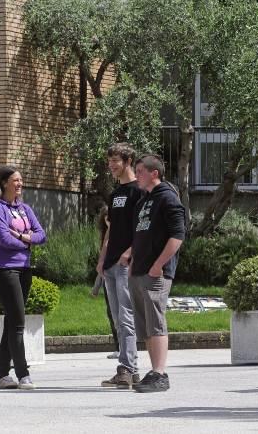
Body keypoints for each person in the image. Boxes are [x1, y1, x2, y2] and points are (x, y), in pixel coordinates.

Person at [128, 154, 185, 393]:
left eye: (140, 171)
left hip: (156, 273)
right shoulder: (144, 201)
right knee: (146, 326)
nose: (136, 175)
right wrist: (132, 261)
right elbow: (140, 235)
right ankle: (153, 372)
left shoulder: (168, 198)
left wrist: (158, 264)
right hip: (139, 270)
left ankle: (161, 373)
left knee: (156, 322)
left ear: (154, 173)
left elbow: (177, 236)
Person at [0, 166, 47, 390]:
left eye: (21, 180)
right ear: (4, 183)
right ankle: (23, 374)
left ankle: (2, 376)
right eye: (15, 180)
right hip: (5, 270)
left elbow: (42, 234)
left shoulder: (24, 208)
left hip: (24, 268)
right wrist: (28, 242)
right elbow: (3, 239)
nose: (20, 184)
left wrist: (23, 237)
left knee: (11, 322)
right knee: (18, 323)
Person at [96, 143, 144, 389]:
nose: (111, 165)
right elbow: (111, 230)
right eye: (109, 161)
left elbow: (143, 228)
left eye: (115, 160)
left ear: (128, 161)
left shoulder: (139, 192)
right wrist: (102, 258)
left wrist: (130, 252)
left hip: (127, 265)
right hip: (111, 265)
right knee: (117, 318)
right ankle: (131, 370)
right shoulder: (115, 195)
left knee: (126, 317)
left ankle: (126, 368)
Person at [93, 206, 121, 360]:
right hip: (107, 277)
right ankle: (118, 347)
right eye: (106, 218)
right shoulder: (104, 235)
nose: (108, 220)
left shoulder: (117, 234)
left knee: (120, 312)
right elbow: (101, 263)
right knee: (111, 312)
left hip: (120, 275)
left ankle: (125, 347)